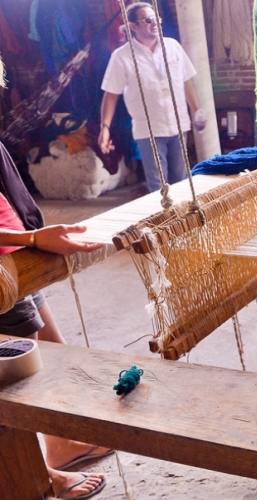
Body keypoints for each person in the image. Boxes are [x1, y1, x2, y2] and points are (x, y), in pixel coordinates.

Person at [0, 54, 108, 500]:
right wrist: (30, 239)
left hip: (16, 249)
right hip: (3, 266)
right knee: (22, 378)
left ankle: (62, 442)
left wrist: (31, 237)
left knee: (53, 350)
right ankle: (39, 475)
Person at [98, 2, 205, 194]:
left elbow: (185, 81)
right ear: (133, 26)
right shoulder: (122, 56)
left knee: (181, 181)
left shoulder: (172, 46)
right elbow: (111, 95)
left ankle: (181, 213)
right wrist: (104, 128)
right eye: (148, 20)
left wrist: (196, 110)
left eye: (156, 18)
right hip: (149, 130)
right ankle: (164, 213)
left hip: (178, 124)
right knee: (159, 187)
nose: (155, 23)